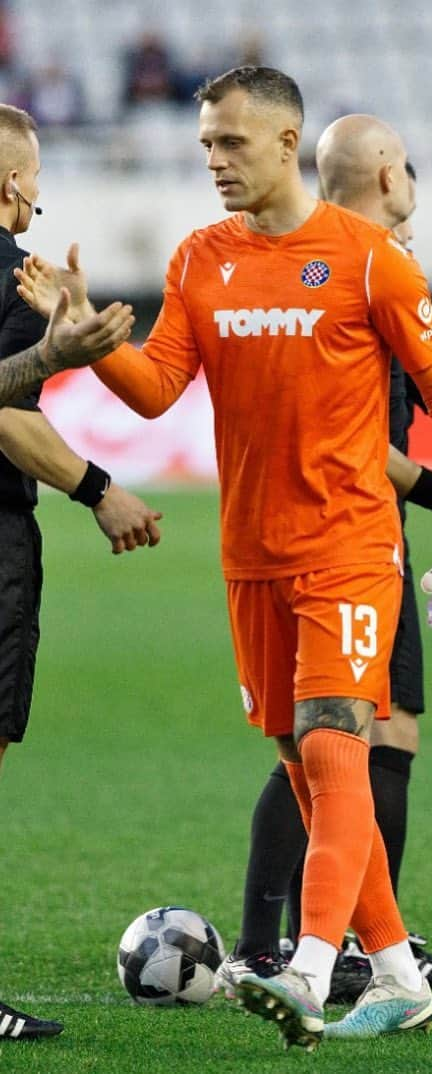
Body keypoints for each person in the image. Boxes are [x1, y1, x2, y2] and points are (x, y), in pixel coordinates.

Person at [16, 67, 432, 1050]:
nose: (214, 161)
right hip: (251, 554)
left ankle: (307, 970)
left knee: (338, 746)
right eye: (206, 144)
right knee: (302, 761)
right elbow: (159, 389)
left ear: (287, 144)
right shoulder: (204, 259)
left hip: (349, 547)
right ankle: (401, 978)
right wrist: (78, 345)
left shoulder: (368, 259)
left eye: (231, 143)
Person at [215, 128, 432, 1003]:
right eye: (408, 161)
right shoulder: (357, 266)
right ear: (385, 174)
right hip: (347, 536)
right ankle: (314, 952)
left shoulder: (367, 262)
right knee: (349, 743)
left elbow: (424, 401)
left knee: (325, 743)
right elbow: (370, 439)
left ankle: (378, 957)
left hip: (327, 536)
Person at [0, 103, 159, 1042]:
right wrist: (98, 487)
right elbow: (5, 408)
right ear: (13, 183)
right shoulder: (13, 276)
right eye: (32, 178)